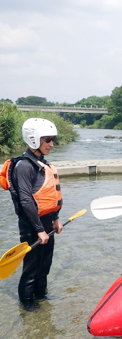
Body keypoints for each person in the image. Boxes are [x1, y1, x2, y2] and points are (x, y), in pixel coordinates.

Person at [5, 118, 63, 309]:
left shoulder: (41, 162)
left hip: (47, 221)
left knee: (45, 263)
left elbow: (49, 196)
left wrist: (55, 219)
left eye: (52, 139)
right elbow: (26, 200)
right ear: (33, 139)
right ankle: (27, 302)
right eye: (47, 140)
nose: (51, 144)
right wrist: (38, 229)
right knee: (32, 266)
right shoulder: (24, 166)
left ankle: (40, 295)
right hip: (32, 224)